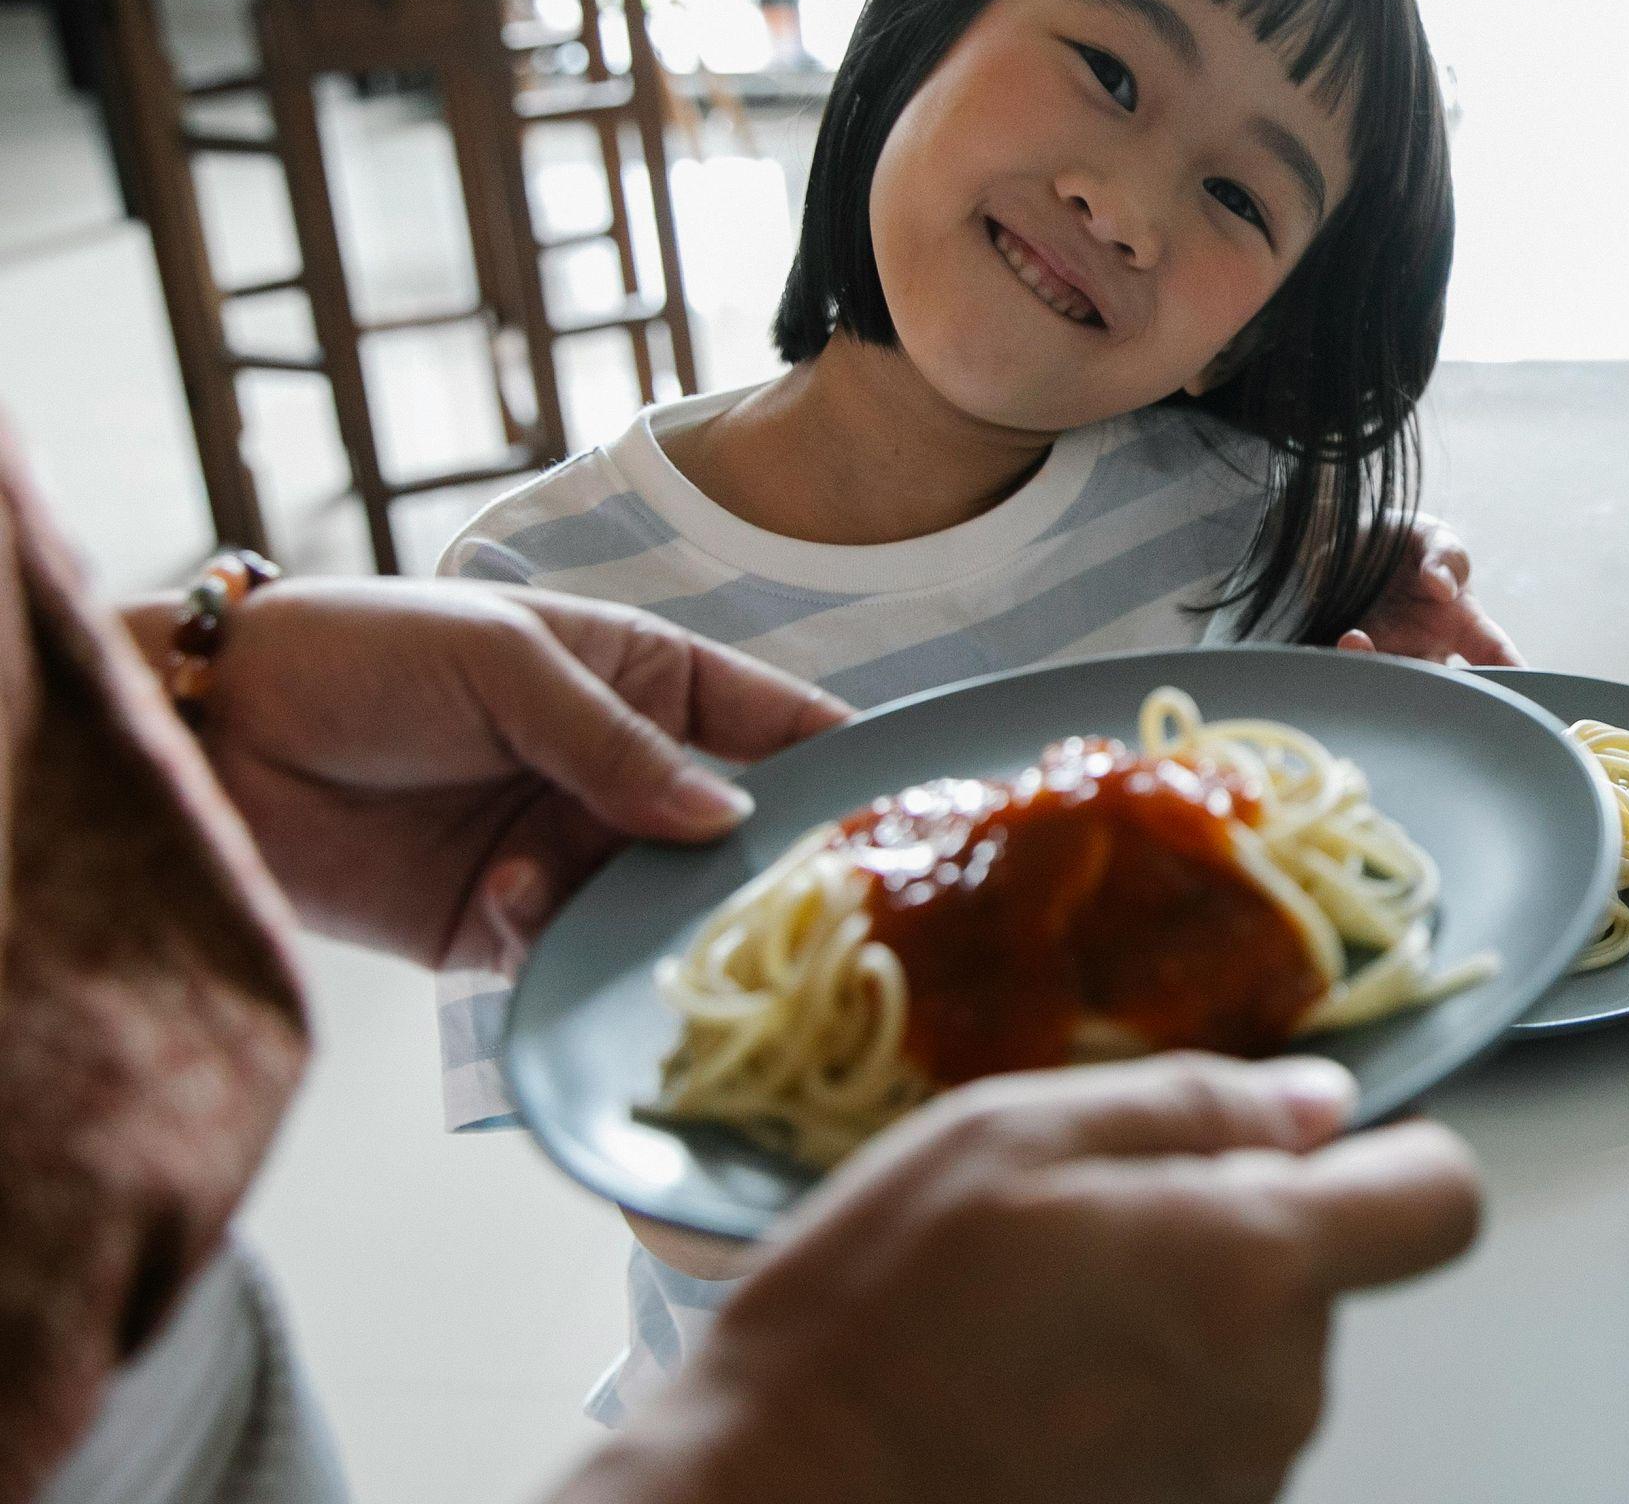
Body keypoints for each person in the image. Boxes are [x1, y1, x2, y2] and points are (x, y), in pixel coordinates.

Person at [431, 0, 1519, 1406]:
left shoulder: (1225, 503)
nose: (1125, 200)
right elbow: (684, 1186)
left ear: (1243, 342)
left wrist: (1398, 595)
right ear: (925, 27)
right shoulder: (545, 599)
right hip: (790, 1437)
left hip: (1171, 1394)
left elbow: (1357, 790)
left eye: (1235, 197)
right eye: (1111, 72)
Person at [0, 430, 1480, 1504]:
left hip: (161, 1370)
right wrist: (807, 1458)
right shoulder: (573, 540)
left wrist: (174, 693)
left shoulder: (1202, 494)